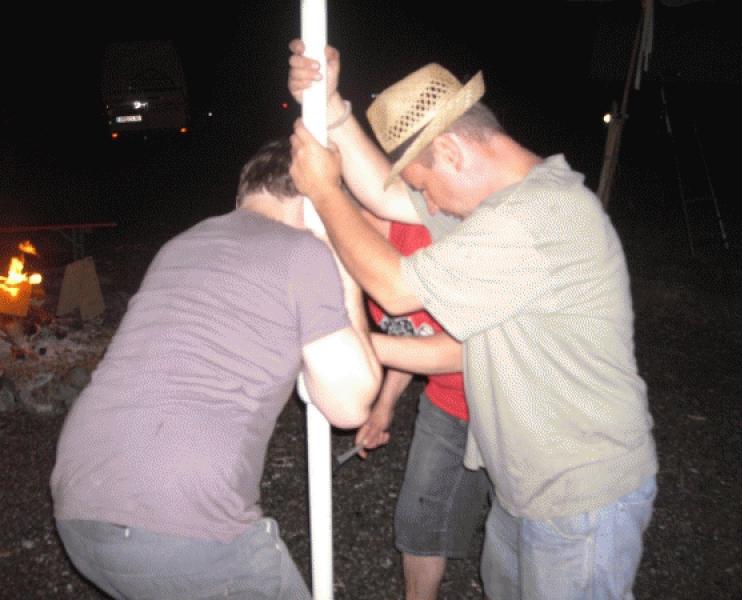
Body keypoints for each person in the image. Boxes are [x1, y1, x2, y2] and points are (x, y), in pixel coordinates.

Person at [288, 42, 658, 600]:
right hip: (527, 487)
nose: (429, 207)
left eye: (426, 187)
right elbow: (385, 199)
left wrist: (322, 190)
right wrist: (333, 110)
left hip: (580, 496)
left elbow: (394, 289)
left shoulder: (534, 218)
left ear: (452, 151)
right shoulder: (501, 206)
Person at [50, 138, 381, 600]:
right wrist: (342, 256)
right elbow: (350, 405)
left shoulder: (181, 244)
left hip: (80, 506)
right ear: (314, 197)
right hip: (182, 528)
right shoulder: (301, 251)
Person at [355, 213, 491, 600]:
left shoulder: (430, 238)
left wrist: (354, 344)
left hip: (510, 410)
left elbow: (466, 349)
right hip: (446, 404)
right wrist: (384, 405)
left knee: (519, 549)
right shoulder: (356, 254)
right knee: (418, 524)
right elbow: (412, 334)